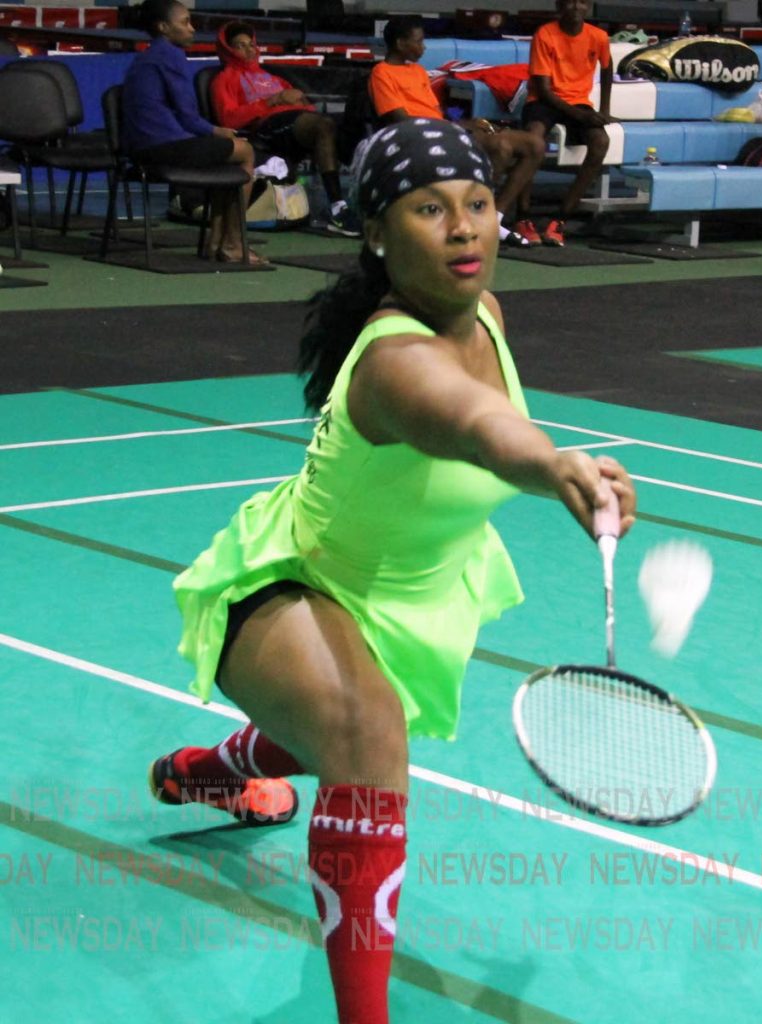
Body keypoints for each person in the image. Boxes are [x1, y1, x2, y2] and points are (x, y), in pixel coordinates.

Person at [147, 118, 636, 1024]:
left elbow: (484, 409)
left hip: (411, 595)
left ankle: (209, 771)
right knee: (369, 743)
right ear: (375, 232)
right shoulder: (395, 362)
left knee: (342, 736)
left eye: (479, 204)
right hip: (294, 582)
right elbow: (475, 424)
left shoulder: (485, 311)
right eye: (429, 209)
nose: (464, 228)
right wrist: (556, 465)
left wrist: (556, 464)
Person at [368, 16, 546, 247]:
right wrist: (456, 127)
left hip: (445, 130)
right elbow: (402, 119)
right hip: (422, 137)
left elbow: (435, 111)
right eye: (419, 42)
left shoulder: (417, 71)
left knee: (535, 145)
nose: (423, 47)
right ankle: (476, 217)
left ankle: (494, 217)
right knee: (500, 147)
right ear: (401, 44)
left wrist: (468, 122)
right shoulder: (381, 73)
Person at [122, 0, 264, 264]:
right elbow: (188, 117)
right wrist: (219, 131)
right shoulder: (169, 55)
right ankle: (232, 242)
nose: (192, 28)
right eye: (185, 22)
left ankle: (215, 243)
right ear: (164, 27)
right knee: (245, 151)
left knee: (225, 157)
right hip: (161, 149)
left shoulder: (150, 54)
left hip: (146, 146)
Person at [211, 21, 360, 236]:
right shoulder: (224, 79)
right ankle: (338, 208)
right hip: (263, 129)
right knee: (323, 126)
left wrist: (300, 104)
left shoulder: (274, 78)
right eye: (239, 45)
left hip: (291, 122)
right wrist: (273, 101)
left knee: (334, 129)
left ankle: (362, 203)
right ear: (228, 49)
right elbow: (229, 119)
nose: (248, 50)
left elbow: (304, 107)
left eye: (250, 44)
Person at [518, 0, 613, 247]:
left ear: (588, 6)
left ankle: (560, 219)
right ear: (560, 5)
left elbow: (607, 67)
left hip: (578, 102)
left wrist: (604, 109)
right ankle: (522, 216)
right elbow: (544, 90)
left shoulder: (599, 36)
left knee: (601, 142)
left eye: (581, 2)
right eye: (569, 1)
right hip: (544, 101)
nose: (575, 7)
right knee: (533, 140)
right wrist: (582, 116)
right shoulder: (545, 34)